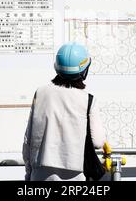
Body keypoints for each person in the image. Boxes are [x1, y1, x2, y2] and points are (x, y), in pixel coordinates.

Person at [22, 42, 106, 181]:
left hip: (40, 173)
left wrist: (28, 173)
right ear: (84, 70)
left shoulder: (41, 92)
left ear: (57, 68)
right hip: (74, 175)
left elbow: (28, 139)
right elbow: (97, 141)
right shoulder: (88, 100)